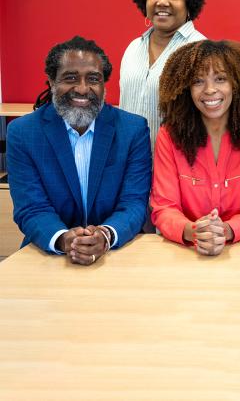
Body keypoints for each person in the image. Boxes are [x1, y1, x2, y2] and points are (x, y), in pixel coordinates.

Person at [7, 36, 152, 265]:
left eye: (93, 79)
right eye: (70, 78)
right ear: (52, 82)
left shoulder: (133, 129)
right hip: (50, 254)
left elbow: (134, 202)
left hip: (119, 252)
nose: (83, 89)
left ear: (104, 84)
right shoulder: (22, 133)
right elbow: (31, 208)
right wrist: (65, 239)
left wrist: (104, 235)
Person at [151, 40, 240, 256]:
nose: (210, 90)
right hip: (183, 254)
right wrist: (195, 232)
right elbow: (164, 208)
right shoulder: (168, 137)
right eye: (198, 81)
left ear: (237, 84)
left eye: (220, 79)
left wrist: (224, 231)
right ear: (185, 88)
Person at [120, 0, 206, 148]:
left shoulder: (201, 50)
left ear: (188, 3)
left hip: (176, 168)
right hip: (130, 165)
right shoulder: (133, 48)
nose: (162, 2)